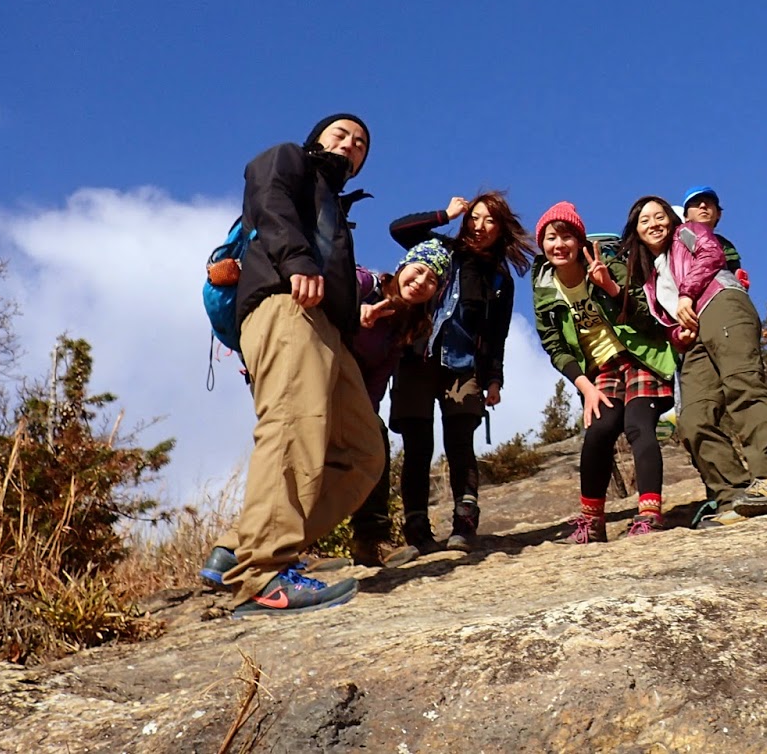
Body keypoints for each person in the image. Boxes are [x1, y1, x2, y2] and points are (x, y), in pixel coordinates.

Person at [217, 113, 384, 617]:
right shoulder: (289, 158)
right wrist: (297, 260)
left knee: (363, 453)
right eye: (341, 134)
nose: (351, 144)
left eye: (360, 144)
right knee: (292, 426)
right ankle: (263, 571)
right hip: (286, 303)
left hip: (329, 330)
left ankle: (239, 545)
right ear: (317, 140)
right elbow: (266, 194)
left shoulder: (334, 202)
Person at [626, 196, 767, 526]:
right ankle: (732, 495)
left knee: (742, 385)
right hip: (695, 338)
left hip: (721, 303)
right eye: (644, 220)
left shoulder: (688, 233)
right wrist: (679, 334)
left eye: (660, 216)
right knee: (693, 418)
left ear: (672, 219)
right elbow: (669, 322)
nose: (654, 224)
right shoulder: (650, 279)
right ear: (635, 231)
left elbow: (712, 254)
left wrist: (686, 294)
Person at [387, 193, 534, 553]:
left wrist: (495, 378)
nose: (480, 227)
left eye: (490, 221)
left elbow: (497, 334)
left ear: (501, 229)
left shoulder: (499, 279)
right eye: (475, 218)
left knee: (460, 444)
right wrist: (445, 214)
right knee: (418, 446)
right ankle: (417, 530)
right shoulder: (440, 250)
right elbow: (399, 230)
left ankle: (464, 524)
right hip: (416, 358)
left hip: (464, 367)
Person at [532, 201, 677, 543]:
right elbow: (555, 345)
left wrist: (611, 288)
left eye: (567, 237)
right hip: (600, 370)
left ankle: (649, 514)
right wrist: (585, 387)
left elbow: (649, 319)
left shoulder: (607, 263)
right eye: (551, 238)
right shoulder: (544, 287)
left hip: (639, 356)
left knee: (638, 425)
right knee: (599, 430)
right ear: (542, 244)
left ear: (580, 241)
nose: (559, 245)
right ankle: (592, 522)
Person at [346, 248, 448, 565]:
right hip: (314, 378)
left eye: (432, 280)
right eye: (418, 270)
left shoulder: (403, 327)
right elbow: (315, 306)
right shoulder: (363, 283)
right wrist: (353, 315)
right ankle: (297, 546)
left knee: (373, 438)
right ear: (402, 267)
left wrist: (365, 421)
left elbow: (377, 381)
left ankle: (370, 541)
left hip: (348, 395)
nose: (420, 282)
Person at [679, 185, 745, 285]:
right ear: (686, 216)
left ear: (718, 214)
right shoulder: (678, 240)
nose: (703, 206)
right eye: (696, 203)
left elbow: (734, 271)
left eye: (709, 202)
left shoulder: (725, 245)